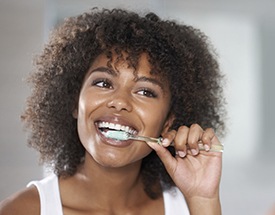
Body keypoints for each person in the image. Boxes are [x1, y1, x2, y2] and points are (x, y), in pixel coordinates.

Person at [0, 8, 226, 215]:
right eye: (103, 83)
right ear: (74, 103)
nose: (120, 102)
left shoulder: (190, 207)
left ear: (168, 122)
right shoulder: (22, 210)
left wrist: (203, 201)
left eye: (146, 92)